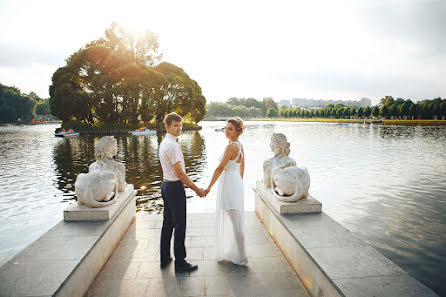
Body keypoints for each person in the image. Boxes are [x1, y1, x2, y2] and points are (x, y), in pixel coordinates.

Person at [158, 112, 206, 272]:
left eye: (180, 125)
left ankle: (165, 258)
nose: (179, 128)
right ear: (167, 126)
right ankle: (180, 263)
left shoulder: (165, 142)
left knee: (168, 224)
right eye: (175, 126)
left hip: (165, 185)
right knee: (180, 225)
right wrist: (197, 189)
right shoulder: (172, 146)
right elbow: (180, 173)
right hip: (174, 187)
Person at [206, 117, 248, 266]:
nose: (226, 131)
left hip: (230, 184)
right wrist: (239, 183)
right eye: (225, 128)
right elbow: (242, 166)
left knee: (235, 221)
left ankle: (242, 255)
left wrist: (208, 187)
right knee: (235, 219)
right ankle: (238, 252)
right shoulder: (239, 145)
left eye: (230, 128)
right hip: (235, 182)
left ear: (238, 131)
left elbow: (219, 168)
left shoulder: (231, 147)